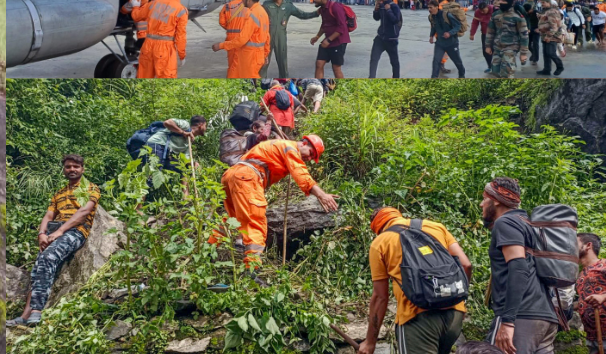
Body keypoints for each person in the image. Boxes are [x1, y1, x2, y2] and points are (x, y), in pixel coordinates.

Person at [207, 135, 338, 270]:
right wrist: (322, 195)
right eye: (311, 153)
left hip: (232, 175)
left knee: (233, 219)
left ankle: (207, 250)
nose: (309, 158)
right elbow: (301, 174)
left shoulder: (281, 145)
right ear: (304, 144)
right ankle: (252, 270)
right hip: (247, 178)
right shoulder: (290, 148)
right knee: (256, 222)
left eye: (312, 158)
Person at [359, 207, 472, 354]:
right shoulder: (436, 227)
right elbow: (466, 265)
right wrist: (460, 302)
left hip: (417, 319)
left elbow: (380, 297)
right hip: (454, 315)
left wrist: (370, 342)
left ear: (377, 228)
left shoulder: (380, 242)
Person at [7, 154, 101, 328]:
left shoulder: (91, 188)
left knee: (48, 258)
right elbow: (49, 215)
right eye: (68, 167)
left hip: (75, 231)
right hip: (54, 232)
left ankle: (37, 310)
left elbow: (83, 213)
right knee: (38, 269)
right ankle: (25, 315)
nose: (72, 169)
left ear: (82, 169)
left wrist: (59, 231)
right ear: (64, 170)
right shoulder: (60, 193)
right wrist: (42, 234)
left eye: (76, 166)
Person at [480, 177, 560, 354]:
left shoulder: (506, 222)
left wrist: (508, 321)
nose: (481, 204)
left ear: (496, 201)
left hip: (522, 317)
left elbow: (519, 268)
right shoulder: (527, 223)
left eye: (484, 199)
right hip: (545, 316)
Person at [127, 0, 190, 78]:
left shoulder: (155, 3)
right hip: (165, 49)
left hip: (147, 45)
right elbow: (181, 36)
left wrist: (135, 6)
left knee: (143, 78)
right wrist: (182, 55)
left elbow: (136, 16)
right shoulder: (181, 11)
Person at [261, 0, 320, 78]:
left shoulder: (288, 6)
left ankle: (284, 80)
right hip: (267, 37)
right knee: (263, 62)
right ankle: (261, 79)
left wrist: (316, 13)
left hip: (281, 38)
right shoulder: (266, 4)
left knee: (283, 63)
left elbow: (302, 15)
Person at [213, 0, 271, 79]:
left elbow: (241, 40)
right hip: (255, 56)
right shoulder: (262, 12)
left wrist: (221, 45)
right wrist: (265, 54)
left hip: (249, 57)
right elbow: (267, 36)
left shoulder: (253, 14)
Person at [487, 0, 530, 79]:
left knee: (507, 72)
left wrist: (523, 53)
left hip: (511, 47)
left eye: (504, 1)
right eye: (500, 0)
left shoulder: (517, 16)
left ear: (510, 2)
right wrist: (488, 46)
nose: (500, 2)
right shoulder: (495, 15)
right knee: (495, 71)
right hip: (497, 47)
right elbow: (490, 31)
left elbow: (524, 35)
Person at [310, 0, 350, 79]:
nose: (314, 0)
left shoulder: (336, 7)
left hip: (339, 41)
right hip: (327, 41)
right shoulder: (322, 9)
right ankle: (318, 83)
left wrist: (328, 40)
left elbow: (342, 27)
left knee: (336, 67)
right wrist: (317, 36)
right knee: (319, 64)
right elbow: (324, 24)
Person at [145, 115, 209, 171]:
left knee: (184, 169)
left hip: (168, 153)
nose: (206, 128)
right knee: (154, 170)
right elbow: (167, 123)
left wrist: (194, 164)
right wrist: (183, 133)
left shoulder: (189, 141)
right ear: (201, 125)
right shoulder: (185, 125)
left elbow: (186, 160)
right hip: (158, 144)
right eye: (205, 125)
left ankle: (184, 185)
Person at [577, 232, 606, 354]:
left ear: (588, 245)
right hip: (592, 338)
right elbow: (584, 301)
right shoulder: (580, 274)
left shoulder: (604, 264)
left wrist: (603, 297)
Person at [371, 0, 402, 78]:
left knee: (394, 61)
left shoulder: (394, 6)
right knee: (374, 59)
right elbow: (376, 18)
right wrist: (376, 10)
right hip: (380, 37)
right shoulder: (380, 5)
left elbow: (395, 20)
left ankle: (396, 78)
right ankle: (371, 77)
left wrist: (388, 10)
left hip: (391, 38)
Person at [429, 1, 466, 79]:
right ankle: (434, 78)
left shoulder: (446, 15)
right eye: (428, 8)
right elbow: (434, 27)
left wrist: (450, 33)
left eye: (431, 7)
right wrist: (431, 36)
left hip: (452, 43)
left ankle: (462, 74)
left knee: (457, 61)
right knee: (436, 61)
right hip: (440, 44)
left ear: (436, 7)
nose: (429, 9)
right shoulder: (432, 17)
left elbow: (458, 25)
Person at [536, 0, 566, 76]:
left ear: (549, 3)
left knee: (550, 53)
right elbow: (545, 20)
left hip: (552, 36)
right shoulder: (546, 11)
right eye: (541, 2)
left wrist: (549, 36)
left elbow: (554, 26)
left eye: (544, 2)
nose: (542, 4)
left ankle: (560, 66)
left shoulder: (552, 12)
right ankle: (547, 69)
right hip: (544, 34)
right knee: (546, 53)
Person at [471, 1, 494, 73]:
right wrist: (472, 34)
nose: (482, 12)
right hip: (485, 34)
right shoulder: (478, 12)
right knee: (485, 51)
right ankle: (490, 66)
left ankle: (498, 67)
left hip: (495, 34)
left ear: (487, 7)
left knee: (495, 50)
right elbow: (475, 23)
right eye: (481, 11)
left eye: (484, 10)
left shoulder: (494, 9)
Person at [523, 1, 541, 67]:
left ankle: (535, 59)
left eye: (529, 11)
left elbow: (542, 21)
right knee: (528, 44)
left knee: (536, 44)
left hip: (536, 30)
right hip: (528, 30)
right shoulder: (525, 13)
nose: (527, 12)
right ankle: (533, 53)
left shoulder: (537, 13)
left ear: (531, 9)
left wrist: (539, 28)